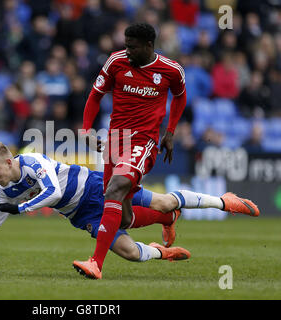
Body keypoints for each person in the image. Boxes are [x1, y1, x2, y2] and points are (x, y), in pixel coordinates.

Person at [73, 22, 257, 279]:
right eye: (125, 46)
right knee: (122, 218)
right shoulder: (115, 62)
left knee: (115, 188)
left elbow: (180, 97)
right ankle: (168, 216)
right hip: (116, 142)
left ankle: (96, 263)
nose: (127, 52)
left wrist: (170, 132)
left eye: (132, 47)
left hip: (144, 142)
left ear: (149, 46)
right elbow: (95, 95)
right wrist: (85, 131)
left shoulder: (170, 70)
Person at [0, 142, 259, 272]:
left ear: (7, 161)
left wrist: (23, 208)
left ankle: (224, 201)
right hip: (81, 213)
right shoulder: (3, 191)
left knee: (162, 200)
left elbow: (53, 192)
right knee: (130, 253)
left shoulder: (32, 162)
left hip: (97, 187)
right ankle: (163, 251)